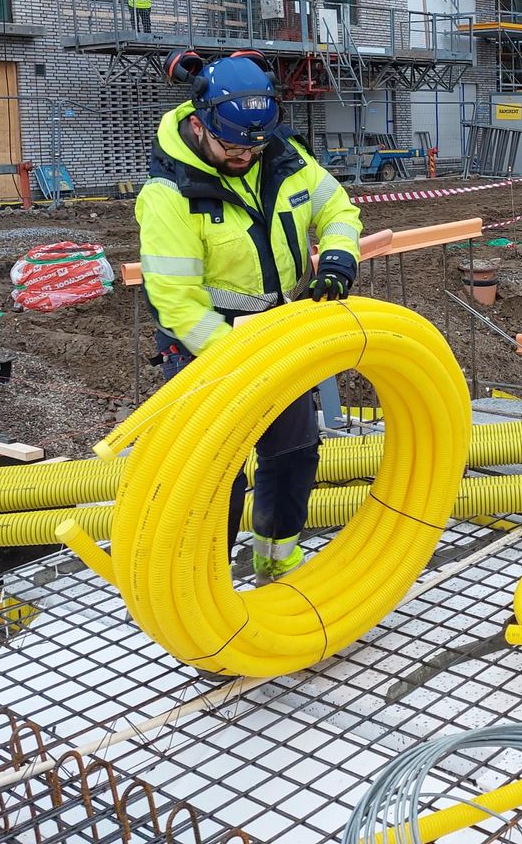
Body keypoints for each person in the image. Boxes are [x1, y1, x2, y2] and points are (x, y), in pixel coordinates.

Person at [135, 54, 363, 584]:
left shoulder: (284, 157)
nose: (245, 157)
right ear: (200, 125)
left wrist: (336, 259)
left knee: (293, 454)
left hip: (276, 335)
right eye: (233, 148)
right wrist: (241, 359)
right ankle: (202, 588)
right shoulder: (170, 195)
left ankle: (276, 562)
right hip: (207, 351)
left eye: (254, 147)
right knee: (214, 476)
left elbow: (338, 210)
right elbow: (177, 302)